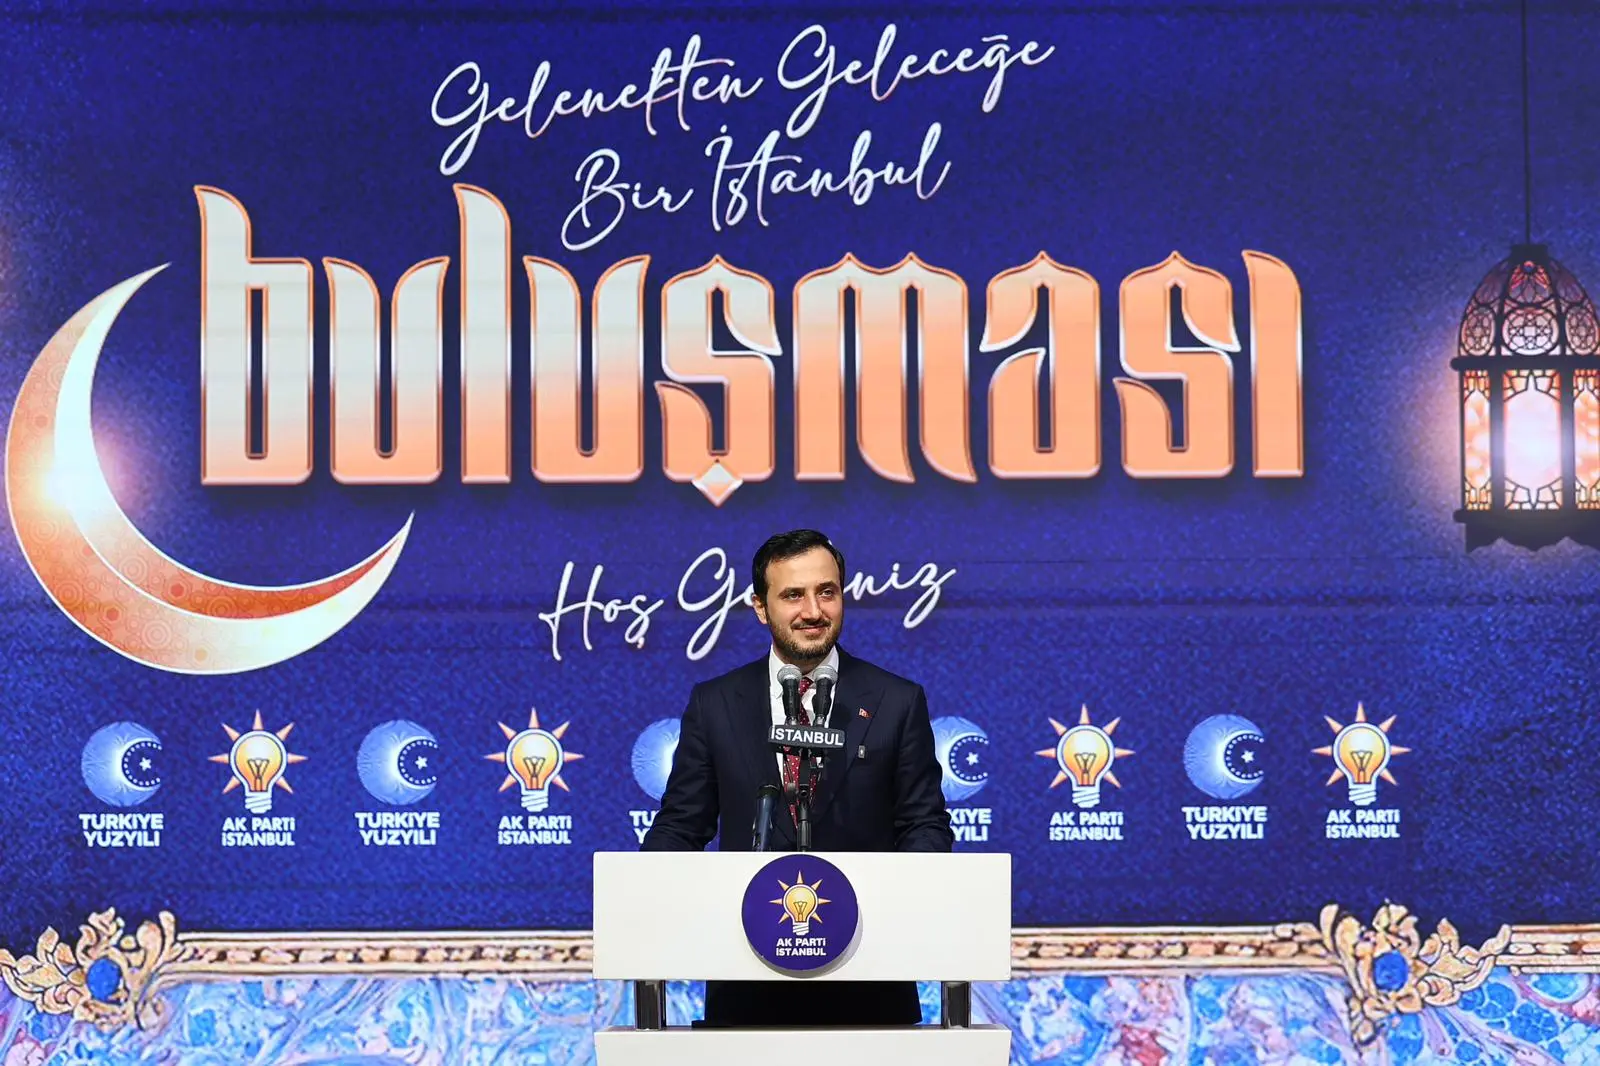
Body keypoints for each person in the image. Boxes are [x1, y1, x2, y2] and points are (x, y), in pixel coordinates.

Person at [642, 529, 953, 1027]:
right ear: (760, 607)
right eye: (792, 595)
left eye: (826, 592)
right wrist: (639, 895)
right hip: (747, 980)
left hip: (869, 982)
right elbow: (681, 826)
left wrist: (898, 912)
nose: (813, 611)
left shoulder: (896, 701)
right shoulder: (716, 703)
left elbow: (924, 826)